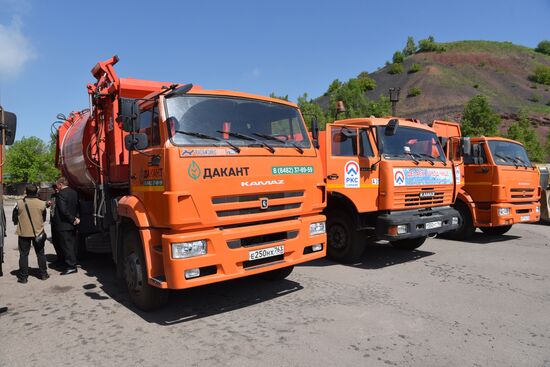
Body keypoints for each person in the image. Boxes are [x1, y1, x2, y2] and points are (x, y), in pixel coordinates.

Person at [12, 184, 49, 283]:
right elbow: (44, 218)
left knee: (23, 254)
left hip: (24, 232)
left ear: (26, 191)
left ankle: (23, 277)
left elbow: (14, 218)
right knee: (40, 253)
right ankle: (43, 274)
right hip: (38, 232)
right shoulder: (42, 203)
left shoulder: (19, 203)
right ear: (36, 191)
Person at [52, 177, 80, 275]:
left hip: (63, 224)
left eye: (57, 185)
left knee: (66, 246)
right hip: (72, 223)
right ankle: (71, 263)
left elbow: (63, 210)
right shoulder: (74, 192)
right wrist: (76, 218)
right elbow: (77, 206)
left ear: (60, 184)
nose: (57, 187)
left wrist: (72, 219)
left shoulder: (60, 194)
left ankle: (71, 266)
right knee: (71, 245)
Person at [48, 184, 65, 267]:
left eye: (56, 188)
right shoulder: (53, 195)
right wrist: (48, 204)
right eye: (54, 188)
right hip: (53, 220)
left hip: (60, 222)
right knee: (55, 241)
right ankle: (59, 257)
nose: (55, 190)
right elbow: (51, 206)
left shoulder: (61, 195)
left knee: (61, 241)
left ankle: (63, 259)